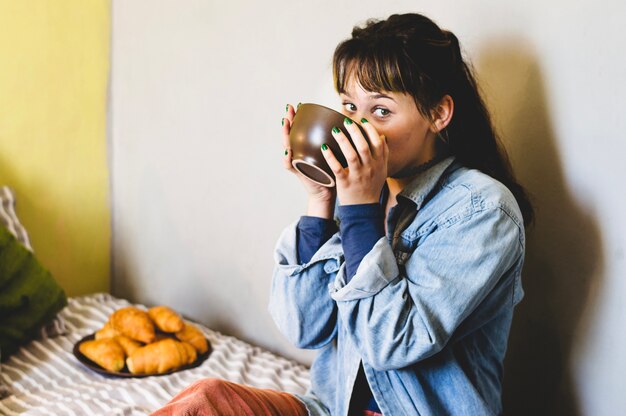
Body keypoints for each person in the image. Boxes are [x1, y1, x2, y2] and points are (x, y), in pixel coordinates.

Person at [152, 12, 533, 416]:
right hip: (330, 409)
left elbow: (390, 343)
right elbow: (305, 328)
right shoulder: (365, 195)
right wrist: (321, 201)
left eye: (381, 111)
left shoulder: (484, 210)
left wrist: (358, 211)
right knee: (204, 401)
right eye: (350, 106)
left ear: (438, 115)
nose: (355, 126)